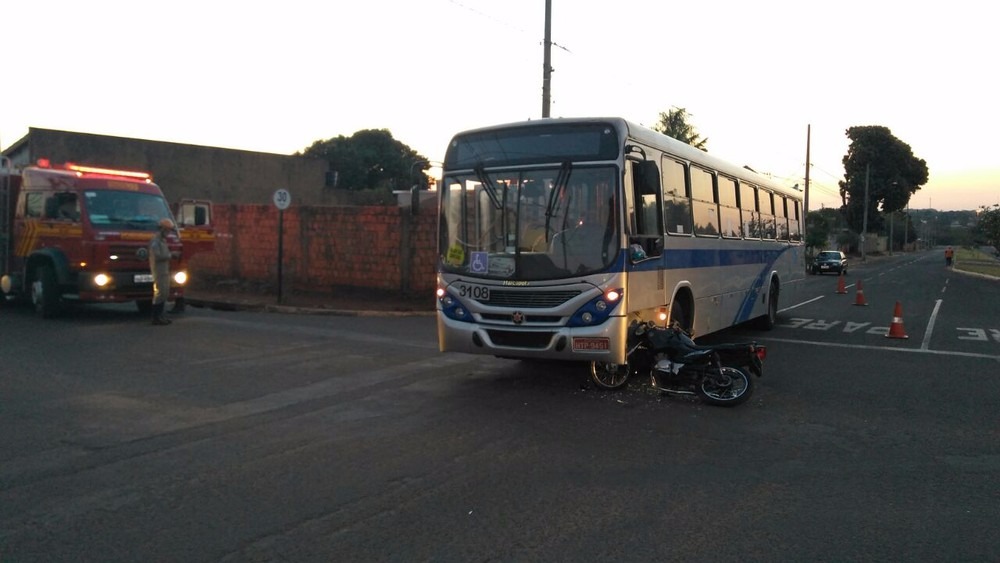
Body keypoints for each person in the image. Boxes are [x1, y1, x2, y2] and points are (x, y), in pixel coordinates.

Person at [149, 218, 175, 325]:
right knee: (160, 293)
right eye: (167, 231)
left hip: (164, 270)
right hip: (158, 270)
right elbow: (158, 255)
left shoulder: (162, 241)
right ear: (162, 229)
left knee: (164, 293)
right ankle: (156, 317)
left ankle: (161, 315)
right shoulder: (156, 241)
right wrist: (171, 255)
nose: (168, 233)